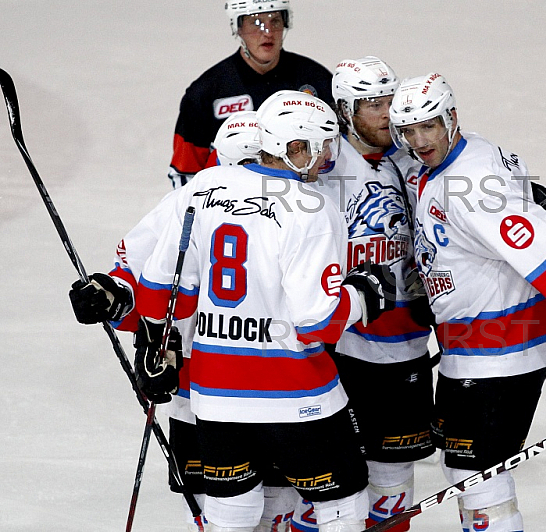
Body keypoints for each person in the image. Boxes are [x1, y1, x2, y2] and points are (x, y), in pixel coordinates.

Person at [135, 90, 396, 532]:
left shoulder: (203, 188)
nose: (328, 157)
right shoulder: (312, 207)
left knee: (230, 516)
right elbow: (316, 322)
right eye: (321, 146)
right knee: (343, 508)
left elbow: (159, 289)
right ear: (294, 149)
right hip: (297, 396)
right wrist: (363, 294)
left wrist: (156, 345)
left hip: (215, 398)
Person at [70, 112, 306, 531]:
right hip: (213, 391)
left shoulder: (213, 197)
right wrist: (113, 301)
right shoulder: (194, 201)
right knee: (232, 516)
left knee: (264, 514)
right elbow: (132, 279)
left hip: (264, 389)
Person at [388, 74, 546, 532]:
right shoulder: (463, 155)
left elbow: (544, 249)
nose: (418, 141)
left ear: (452, 118)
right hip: (476, 348)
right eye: (408, 131)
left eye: (429, 126)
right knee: (467, 472)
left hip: (498, 351)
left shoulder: (471, 180)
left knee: (475, 477)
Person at [290, 57, 435, 532]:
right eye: (373, 104)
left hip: (407, 346)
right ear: (346, 111)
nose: (388, 114)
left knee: (394, 493)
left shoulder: (413, 155)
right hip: (341, 350)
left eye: (390, 100)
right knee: (327, 493)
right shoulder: (324, 167)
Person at [168, 0, 333, 188]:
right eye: (256, 22)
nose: (268, 32)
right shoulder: (205, 93)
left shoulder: (317, 80)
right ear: (238, 28)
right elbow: (185, 173)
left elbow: (341, 155)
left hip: (303, 203)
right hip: (232, 208)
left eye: (275, 21)